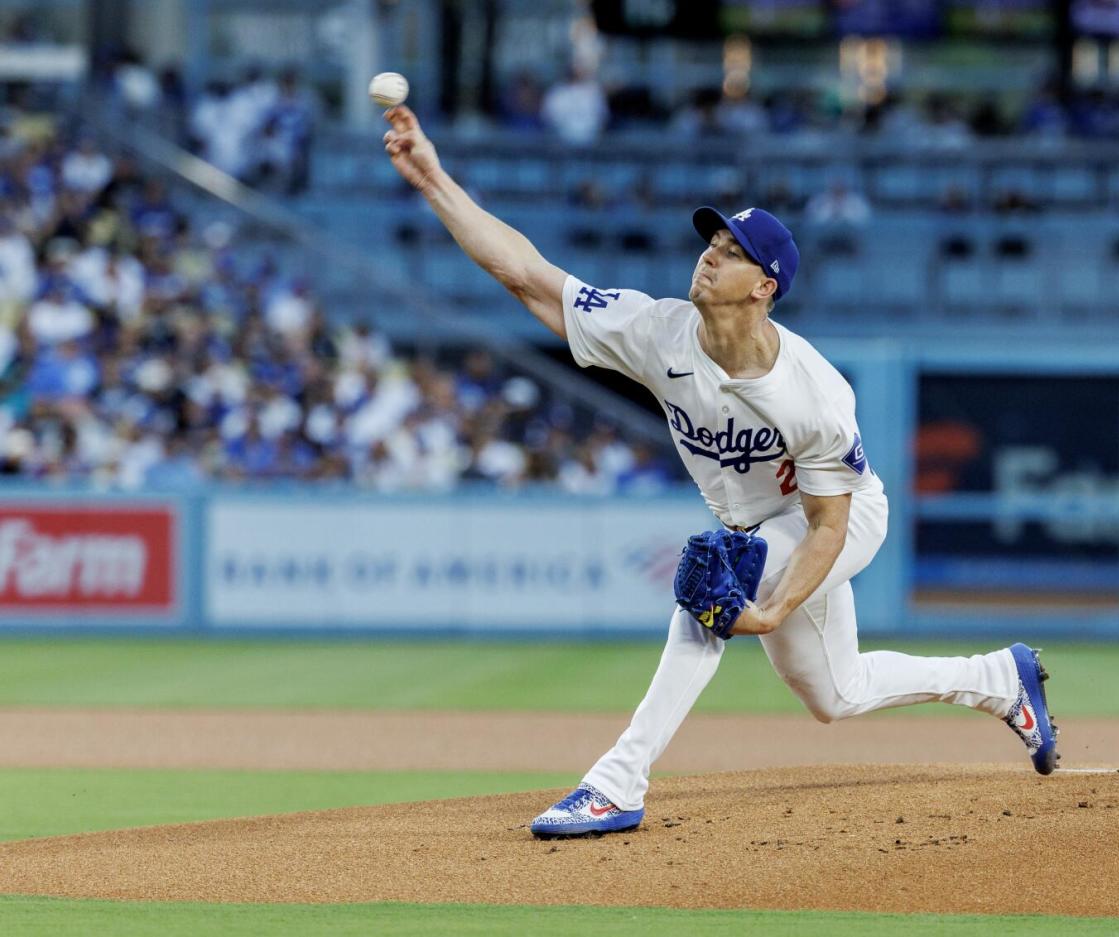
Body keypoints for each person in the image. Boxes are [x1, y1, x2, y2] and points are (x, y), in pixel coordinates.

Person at [379, 104, 1060, 840]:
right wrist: (433, 178)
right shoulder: (658, 330)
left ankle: (616, 782)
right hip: (761, 523)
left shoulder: (813, 393)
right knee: (837, 693)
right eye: (711, 240)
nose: (709, 253)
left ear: (765, 285)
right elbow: (527, 275)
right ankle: (998, 677)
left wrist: (766, 608)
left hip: (841, 516)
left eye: (732, 250)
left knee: (715, 578)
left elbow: (829, 528)